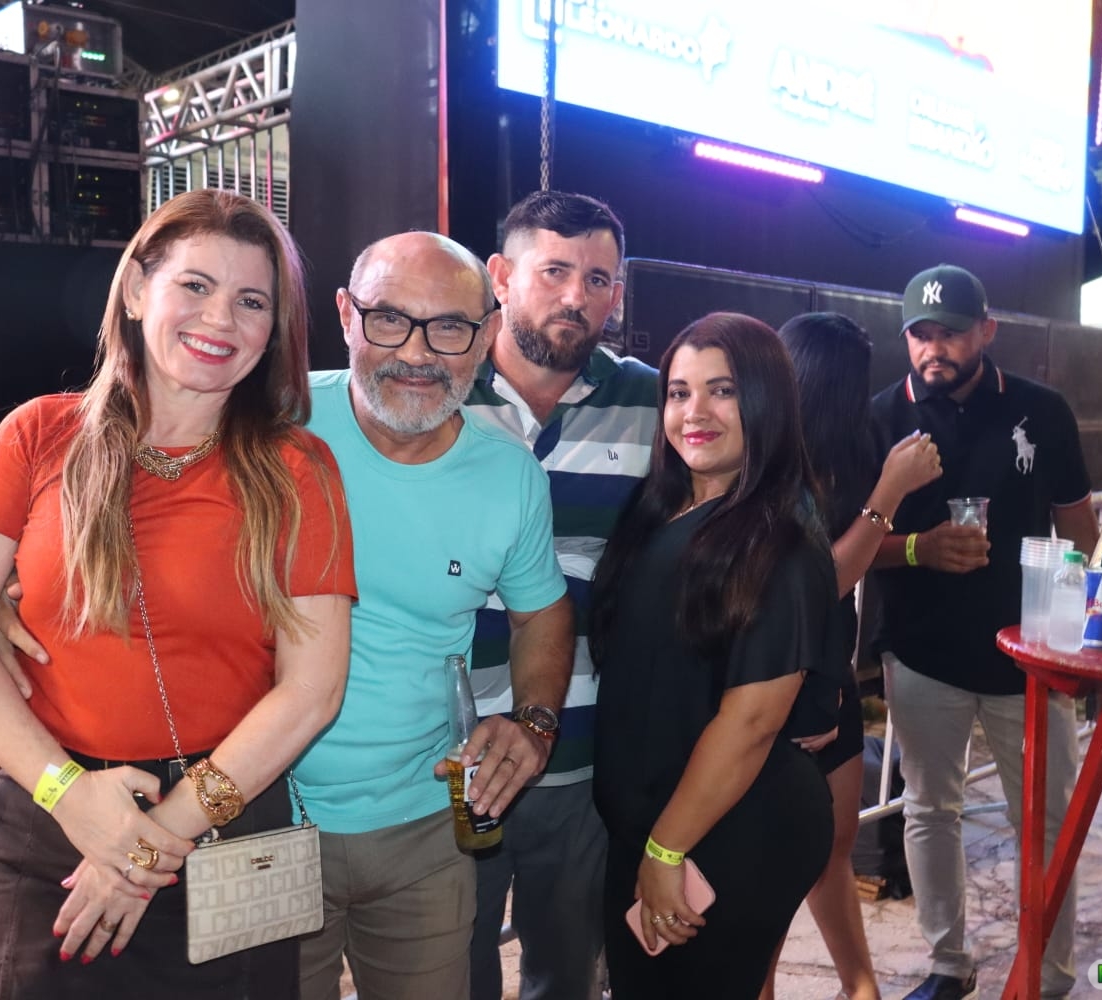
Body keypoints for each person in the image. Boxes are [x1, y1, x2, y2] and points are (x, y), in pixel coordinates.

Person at [0, 188, 357, 998]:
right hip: (49, 824)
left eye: (252, 300)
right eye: (195, 285)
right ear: (135, 291)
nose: (221, 318)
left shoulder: (299, 471)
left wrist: (152, 842)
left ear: (274, 328)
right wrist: (71, 797)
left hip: (224, 832)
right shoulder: (37, 434)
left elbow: (312, 691)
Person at [294, 230, 575, 1000]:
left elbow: (543, 613)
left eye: (449, 326)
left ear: (485, 336)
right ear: (346, 315)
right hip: (267, 815)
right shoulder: (272, 424)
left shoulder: (509, 474)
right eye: (390, 319)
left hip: (424, 831)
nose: (417, 353)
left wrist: (535, 722)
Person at [590, 312, 843, 999]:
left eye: (722, 390)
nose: (694, 412)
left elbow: (752, 720)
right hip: (658, 824)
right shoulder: (659, 508)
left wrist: (666, 848)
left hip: (722, 831)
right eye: (679, 392)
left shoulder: (776, 539)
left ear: (766, 400)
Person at [867, 265, 1098, 1000]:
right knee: (930, 809)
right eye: (920, 334)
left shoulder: (1041, 410)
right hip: (923, 652)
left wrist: (1073, 624)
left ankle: (1049, 976)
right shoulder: (881, 418)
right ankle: (948, 965)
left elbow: (1081, 530)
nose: (933, 349)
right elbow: (848, 546)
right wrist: (921, 548)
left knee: (1047, 821)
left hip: (1029, 658)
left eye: (951, 333)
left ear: (987, 331)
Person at [464, 190, 657, 1000]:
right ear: (501, 276)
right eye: (554, 271)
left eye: (598, 279)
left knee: (568, 978)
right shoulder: (436, 387)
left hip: (584, 758)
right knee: (447, 974)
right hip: (447, 756)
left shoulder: (652, 403)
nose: (577, 296)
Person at [761, 312, 944, 1000]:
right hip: (772, 687)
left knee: (832, 848)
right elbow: (820, 584)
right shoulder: (766, 466)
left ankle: (860, 987)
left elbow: (849, 565)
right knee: (770, 868)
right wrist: (889, 492)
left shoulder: (838, 457)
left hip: (828, 676)